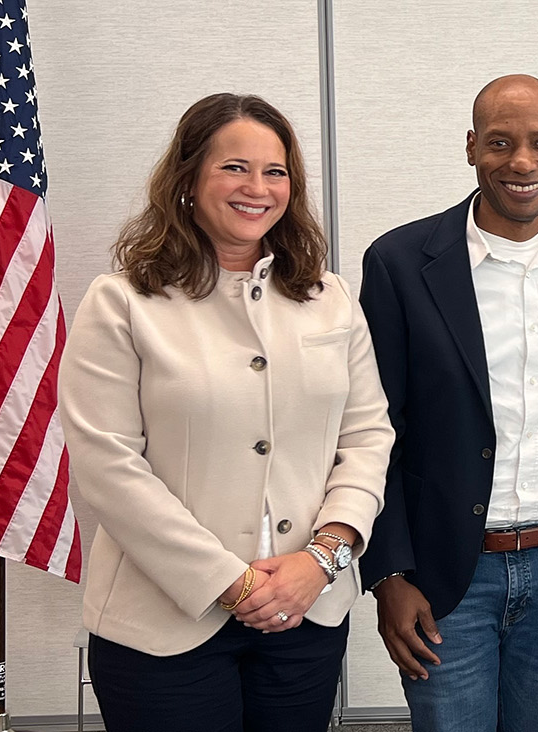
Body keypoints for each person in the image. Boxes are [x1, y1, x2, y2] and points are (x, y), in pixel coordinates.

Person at [58, 93, 393, 732]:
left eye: (276, 172)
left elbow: (367, 436)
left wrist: (323, 558)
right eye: (234, 167)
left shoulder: (330, 299)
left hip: (305, 610)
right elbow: (108, 468)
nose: (257, 188)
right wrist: (227, 583)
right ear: (187, 180)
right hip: (162, 624)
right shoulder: (121, 303)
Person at [356, 74, 538, 732]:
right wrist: (388, 571)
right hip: (449, 575)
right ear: (472, 147)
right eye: (500, 142)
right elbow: (371, 426)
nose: (522, 162)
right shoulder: (398, 261)